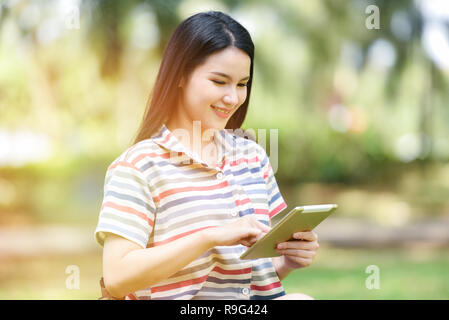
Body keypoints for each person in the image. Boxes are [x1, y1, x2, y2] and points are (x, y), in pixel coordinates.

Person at [94, 10, 319, 300]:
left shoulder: (253, 157)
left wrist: (287, 261)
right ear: (180, 76)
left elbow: (245, 278)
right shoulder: (138, 166)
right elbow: (117, 278)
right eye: (219, 81)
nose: (233, 98)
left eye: (242, 84)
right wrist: (209, 236)